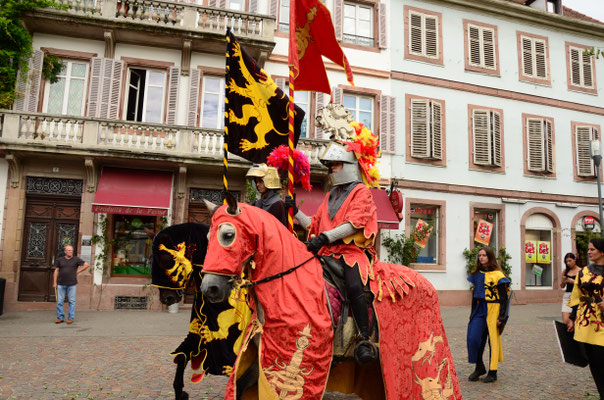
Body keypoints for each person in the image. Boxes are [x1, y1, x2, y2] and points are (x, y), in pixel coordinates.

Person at [294, 138, 379, 366]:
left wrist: (324, 237)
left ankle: (363, 339)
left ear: (349, 165)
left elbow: (355, 223)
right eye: (330, 165)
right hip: (327, 253)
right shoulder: (331, 195)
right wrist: (294, 211)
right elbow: (314, 223)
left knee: (353, 285)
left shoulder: (362, 192)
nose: (332, 168)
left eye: (336, 164)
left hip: (351, 253)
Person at [466, 246, 510, 383]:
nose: (481, 257)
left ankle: (493, 371)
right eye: (479, 255)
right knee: (474, 337)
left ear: (490, 257)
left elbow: (504, 298)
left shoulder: (498, 275)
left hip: (494, 308)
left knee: (493, 340)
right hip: (479, 308)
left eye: (484, 255)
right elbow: (474, 296)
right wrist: (472, 314)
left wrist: (501, 317)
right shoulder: (476, 274)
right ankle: (479, 367)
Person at [567, 238, 604, 398]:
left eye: (592, 249)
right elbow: (577, 297)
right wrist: (572, 318)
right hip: (587, 322)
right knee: (594, 362)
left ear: (602, 252)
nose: (589, 252)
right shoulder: (584, 272)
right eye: (588, 249)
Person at [53, 244, 89, 324]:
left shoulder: (76, 259)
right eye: (69, 250)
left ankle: (70, 318)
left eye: (71, 251)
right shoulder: (60, 260)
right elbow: (56, 271)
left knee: (71, 301)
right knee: (60, 301)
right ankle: (60, 317)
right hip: (61, 283)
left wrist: (78, 271)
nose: (70, 252)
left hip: (72, 283)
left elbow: (86, 265)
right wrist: (54, 282)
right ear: (65, 251)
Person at [560, 252, 580, 326]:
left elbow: (584, 285)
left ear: (574, 260)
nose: (568, 263)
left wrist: (573, 282)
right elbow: (561, 286)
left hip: (577, 296)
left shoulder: (581, 271)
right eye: (566, 262)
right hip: (567, 296)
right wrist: (563, 282)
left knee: (576, 320)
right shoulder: (565, 271)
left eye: (570, 261)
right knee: (565, 321)